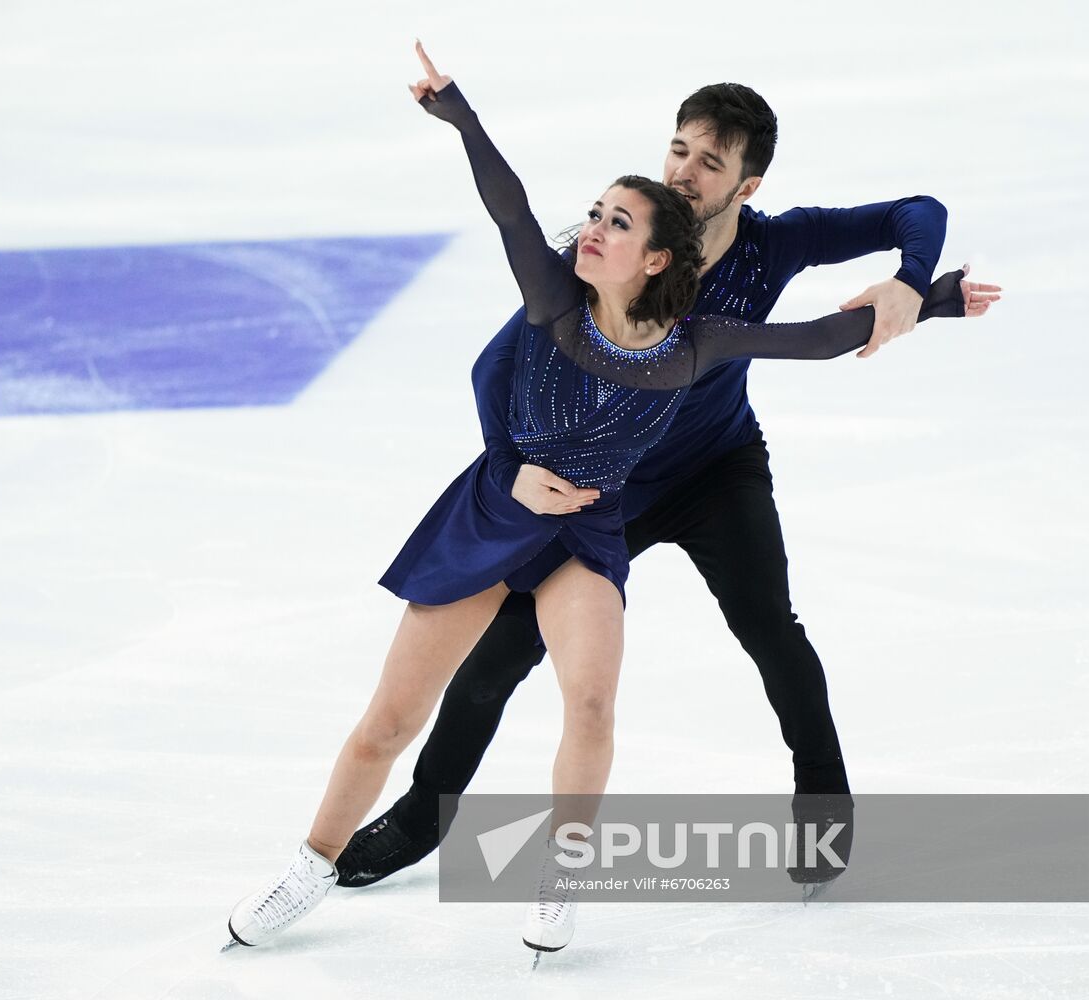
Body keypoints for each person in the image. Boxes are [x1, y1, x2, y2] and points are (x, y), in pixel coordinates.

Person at [225, 44, 982, 957]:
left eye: (710, 161)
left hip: (710, 471)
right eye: (679, 150)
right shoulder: (582, 272)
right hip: (589, 491)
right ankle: (424, 812)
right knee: (491, 659)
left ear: (744, 186)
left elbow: (879, 258)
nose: (686, 170)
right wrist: (508, 467)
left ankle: (820, 808)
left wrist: (916, 291)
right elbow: (495, 356)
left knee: (766, 626)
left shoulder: (745, 277)